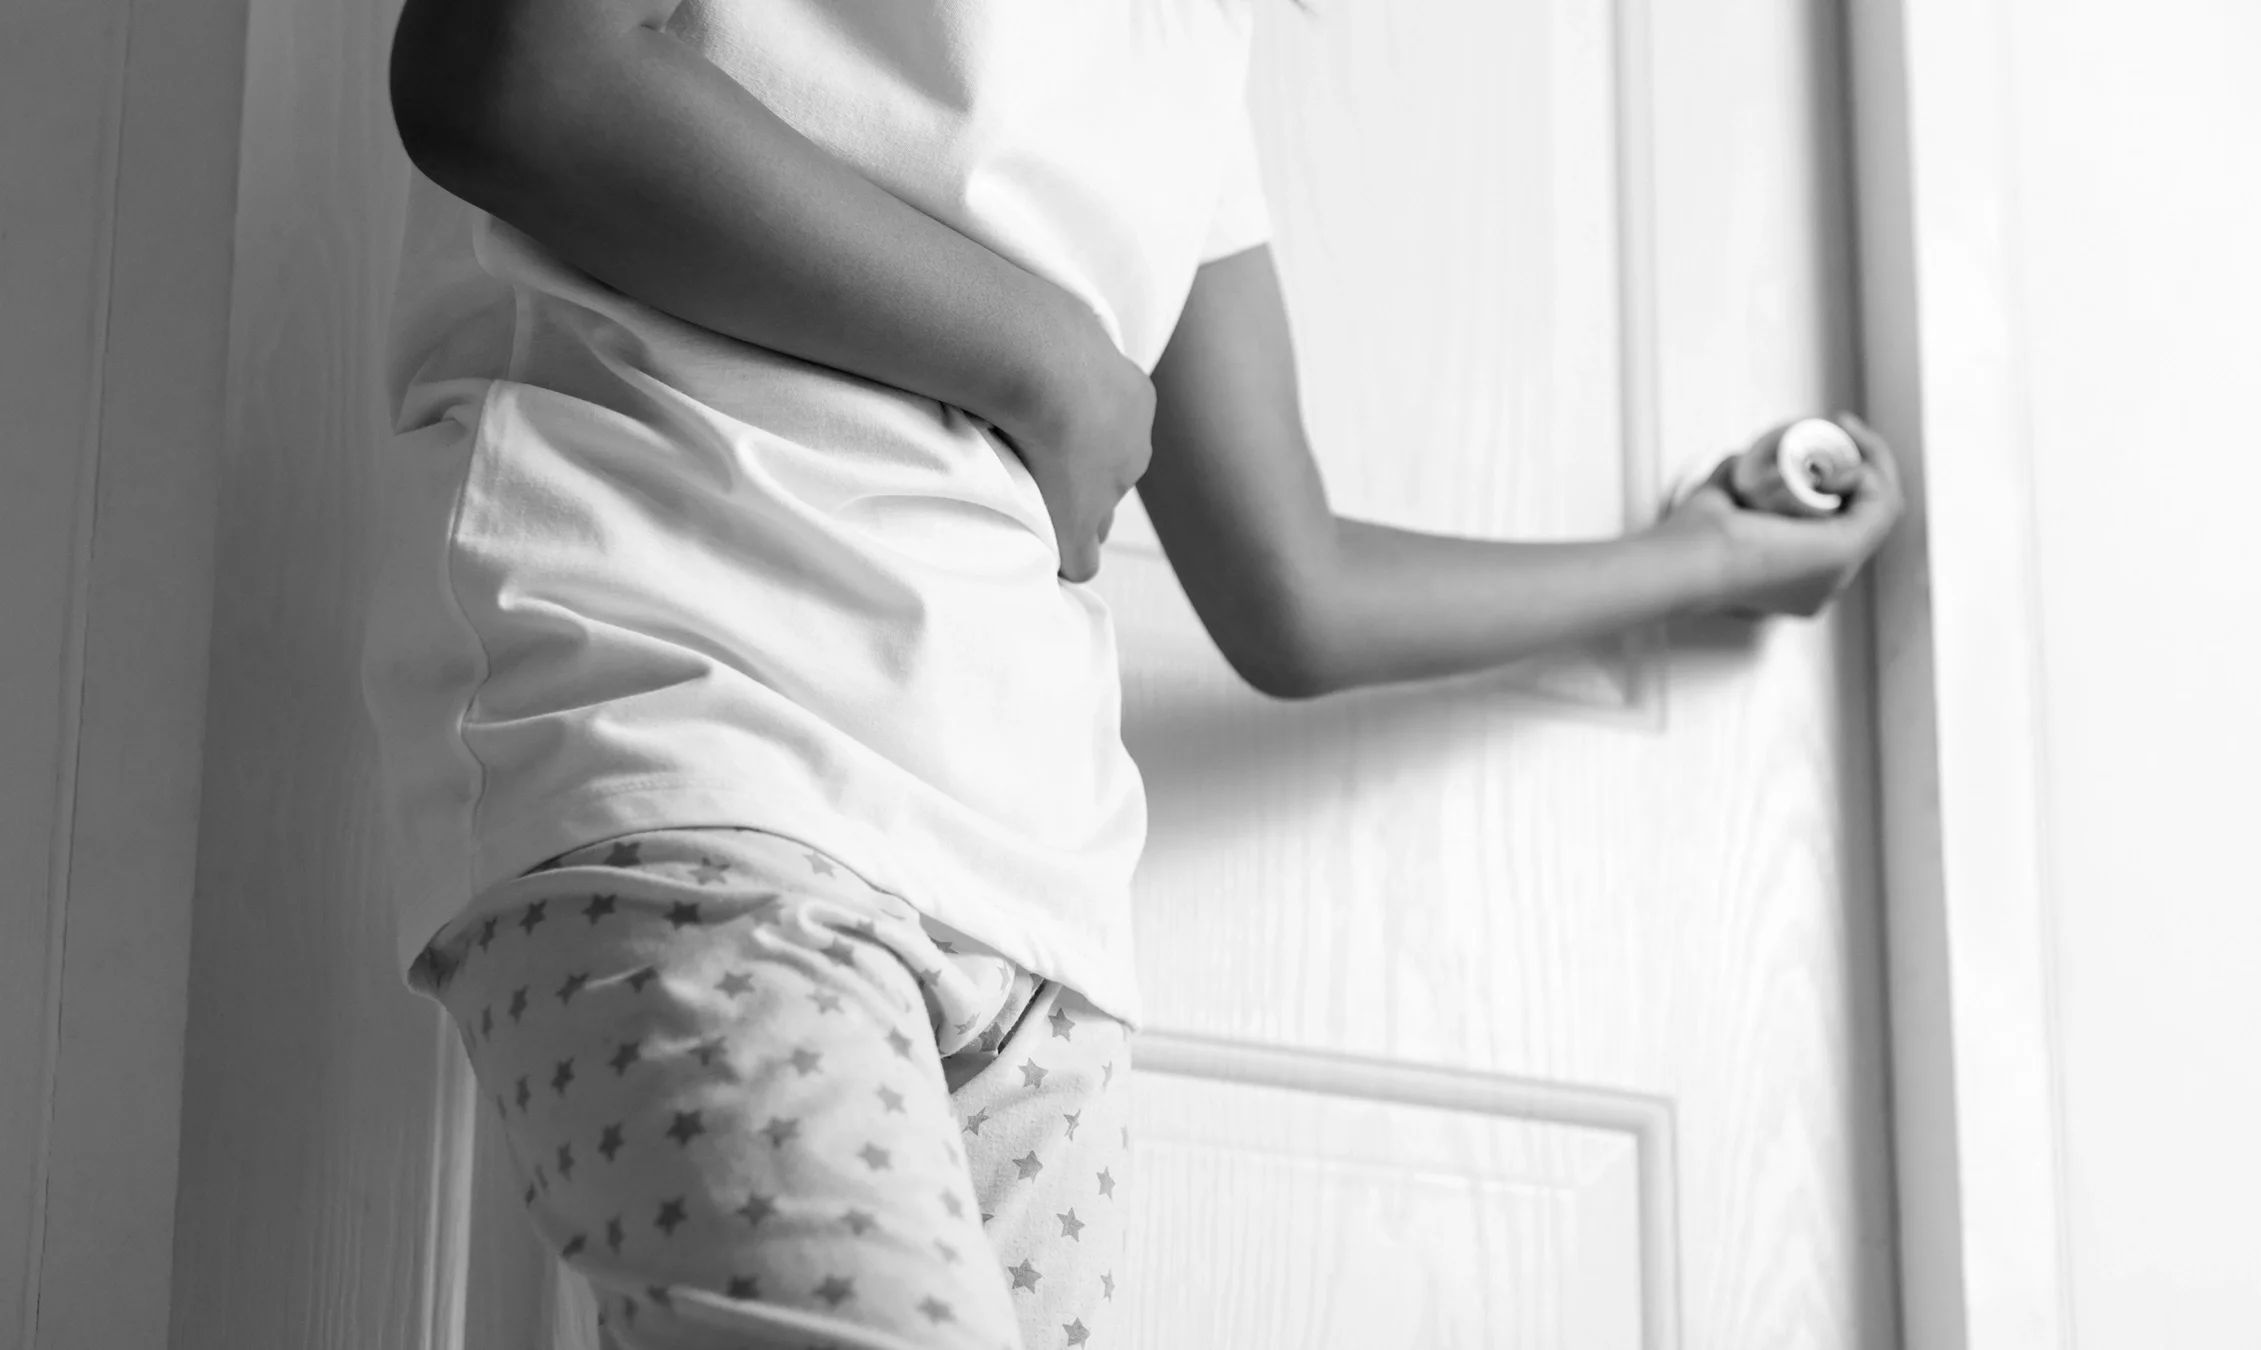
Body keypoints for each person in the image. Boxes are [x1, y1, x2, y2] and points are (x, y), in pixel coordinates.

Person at [361, 1, 1907, 1346]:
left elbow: (1291, 588)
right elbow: (513, 74)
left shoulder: (1190, 52)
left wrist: (1714, 561)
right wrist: (1043, 356)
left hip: (1041, 930)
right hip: (688, 734)